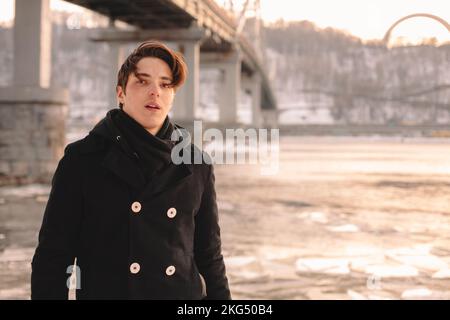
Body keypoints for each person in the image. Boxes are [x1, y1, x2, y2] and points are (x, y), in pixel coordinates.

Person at [31, 40, 231, 300]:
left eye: (165, 84)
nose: (155, 92)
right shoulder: (82, 159)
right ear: (121, 93)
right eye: (142, 81)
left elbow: (209, 255)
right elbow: (54, 257)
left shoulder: (196, 163)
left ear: (172, 95)